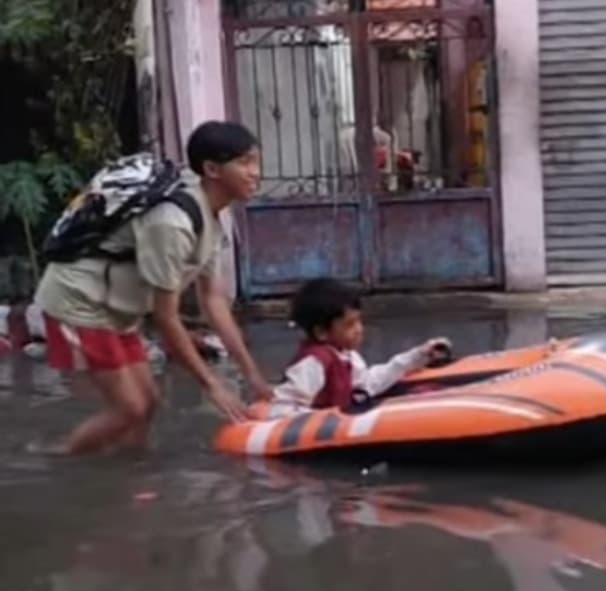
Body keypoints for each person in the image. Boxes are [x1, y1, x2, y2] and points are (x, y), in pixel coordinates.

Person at [34, 121, 272, 454]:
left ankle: (132, 474)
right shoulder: (173, 223)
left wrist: (252, 375)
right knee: (129, 408)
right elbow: (166, 318)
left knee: (149, 403)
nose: (255, 173)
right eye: (245, 163)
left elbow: (214, 301)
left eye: (256, 161)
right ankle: (60, 462)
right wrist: (213, 386)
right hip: (81, 302)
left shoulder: (212, 213)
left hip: (117, 304)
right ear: (212, 169)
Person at [267, 278, 449, 418]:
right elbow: (283, 407)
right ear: (322, 332)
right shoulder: (314, 362)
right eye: (349, 324)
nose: (359, 330)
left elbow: (368, 384)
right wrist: (322, 420)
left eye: (359, 321)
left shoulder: (347, 356)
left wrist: (416, 357)